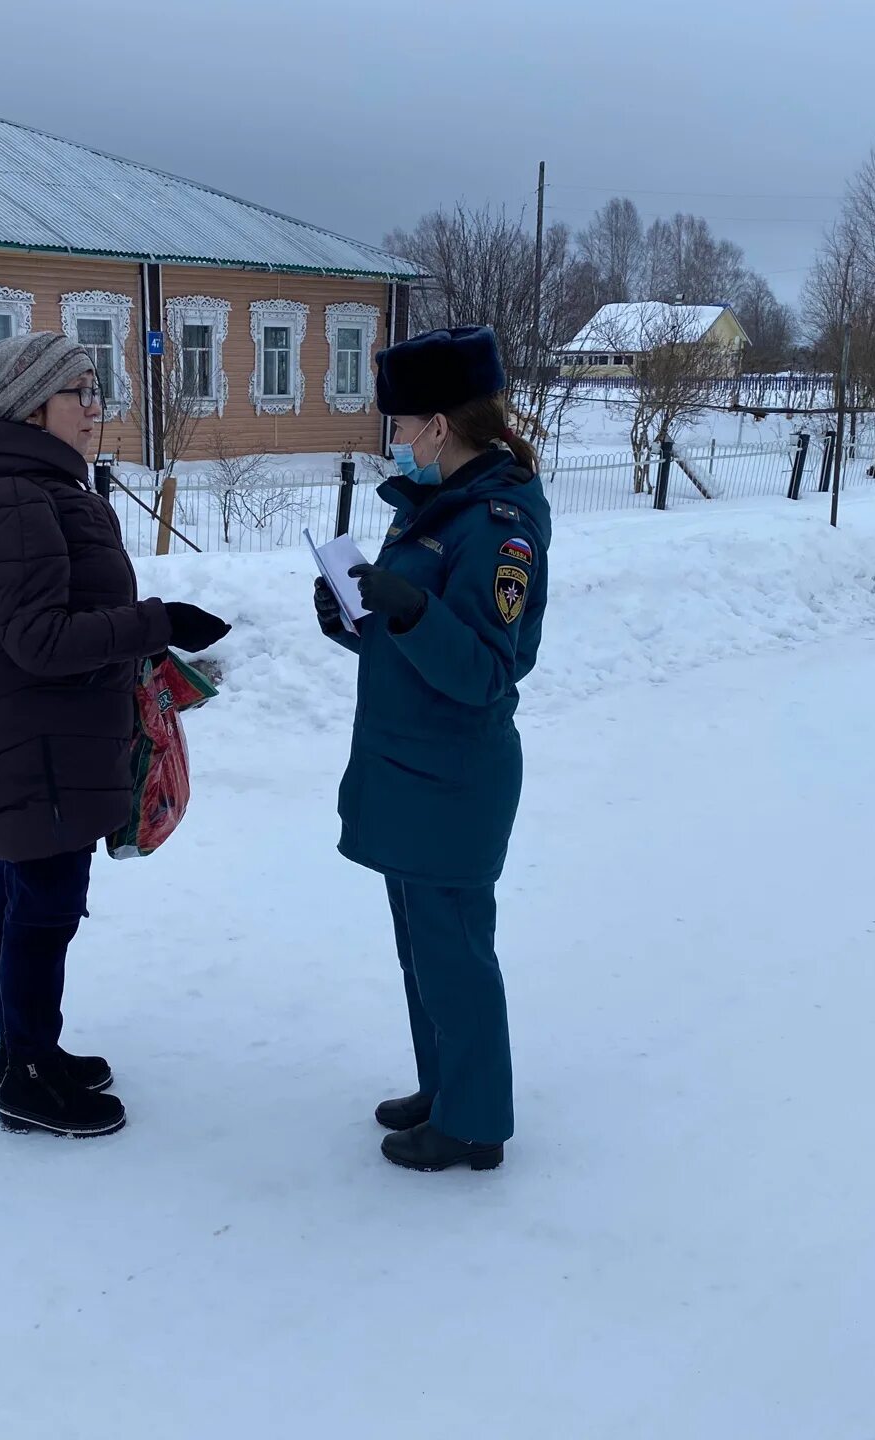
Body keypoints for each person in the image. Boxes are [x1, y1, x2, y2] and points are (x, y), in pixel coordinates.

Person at [0, 331, 231, 1139]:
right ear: (33, 406)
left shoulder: (32, 487)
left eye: (96, 391)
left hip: (40, 734)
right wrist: (156, 621)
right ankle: (29, 1073)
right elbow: (41, 640)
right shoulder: (20, 496)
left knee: (30, 892)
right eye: (80, 393)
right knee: (46, 901)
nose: (97, 409)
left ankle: (23, 1049)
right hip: (33, 738)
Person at [314, 325, 551, 1172]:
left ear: (441, 426)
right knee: (425, 951)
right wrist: (357, 619)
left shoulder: (499, 524)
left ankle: (476, 1122)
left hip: (454, 776)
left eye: (404, 425)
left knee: (455, 952)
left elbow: (488, 667)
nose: (398, 443)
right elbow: (413, 644)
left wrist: (408, 610)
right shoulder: (434, 508)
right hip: (408, 768)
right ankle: (445, 1084)